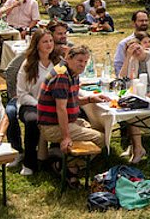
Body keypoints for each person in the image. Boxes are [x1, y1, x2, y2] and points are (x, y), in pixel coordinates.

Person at [36, 46, 106, 185]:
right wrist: (66, 137)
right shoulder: (62, 76)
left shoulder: (71, 73)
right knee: (101, 139)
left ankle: (64, 159)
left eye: (86, 62)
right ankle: (67, 166)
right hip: (52, 125)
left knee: (100, 128)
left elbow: (72, 100)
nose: (83, 65)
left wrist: (91, 99)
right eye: (80, 60)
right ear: (68, 58)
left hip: (66, 121)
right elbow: (60, 109)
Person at [11, 28, 57, 175]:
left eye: (51, 41)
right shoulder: (28, 65)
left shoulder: (58, 63)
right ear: (37, 45)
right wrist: (38, 104)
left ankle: (56, 157)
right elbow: (21, 93)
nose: (49, 44)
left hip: (55, 104)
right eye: (45, 42)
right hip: (30, 104)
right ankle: (29, 163)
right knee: (32, 121)